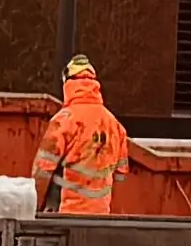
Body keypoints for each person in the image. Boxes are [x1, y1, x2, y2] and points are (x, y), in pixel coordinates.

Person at [35, 55, 135, 220]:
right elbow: (121, 175)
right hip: (101, 216)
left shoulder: (63, 121)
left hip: (66, 215)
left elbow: (42, 171)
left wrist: (36, 208)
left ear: (67, 83)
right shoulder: (114, 124)